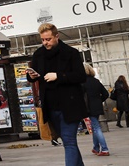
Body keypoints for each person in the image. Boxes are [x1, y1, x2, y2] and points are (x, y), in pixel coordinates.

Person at [27, 23, 87, 166]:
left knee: (69, 140)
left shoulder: (71, 53)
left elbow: (80, 76)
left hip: (70, 105)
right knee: (68, 142)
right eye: (42, 39)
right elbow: (32, 76)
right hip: (50, 106)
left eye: (48, 39)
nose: (45, 43)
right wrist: (32, 76)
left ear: (57, 36)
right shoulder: (38, 54)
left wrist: (59, 76)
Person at [82, 64, 109, 156]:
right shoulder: (96, 81)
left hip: (89, 108)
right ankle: (96, 148)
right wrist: (99, 100)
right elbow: (106, 94)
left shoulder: (82, 83)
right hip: (97, 107)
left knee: (96, 128)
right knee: (94, 127)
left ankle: (105, 149)